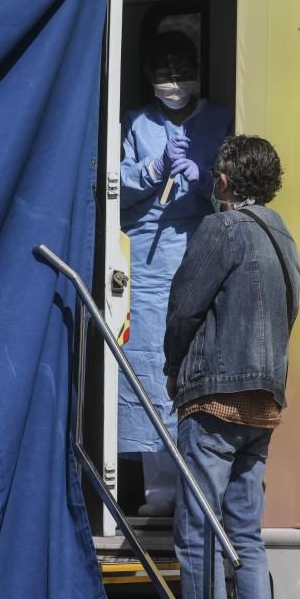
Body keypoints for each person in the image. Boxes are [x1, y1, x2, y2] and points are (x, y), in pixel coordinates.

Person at [163, 135, 300, 597]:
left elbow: (184, 307)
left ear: (222, 180)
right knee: (244, 533)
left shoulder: (220, 229)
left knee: (200, 534)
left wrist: (171, 366)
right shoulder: (285, 237)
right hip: (264, 403)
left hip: (215, 399)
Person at [119, 31, 233, 516]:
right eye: (164, 77)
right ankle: (160, 492)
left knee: (203, 368)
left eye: (180, 75)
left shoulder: (223, 120)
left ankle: (203, 487)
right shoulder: (135, 124)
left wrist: (203, 178)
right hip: (147, 265)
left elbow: (237, 192)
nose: (173, 85)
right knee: (149, 366)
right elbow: (113, 193)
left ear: (198, 73)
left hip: (203, 255)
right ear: (148, 78)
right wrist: (153, 169)